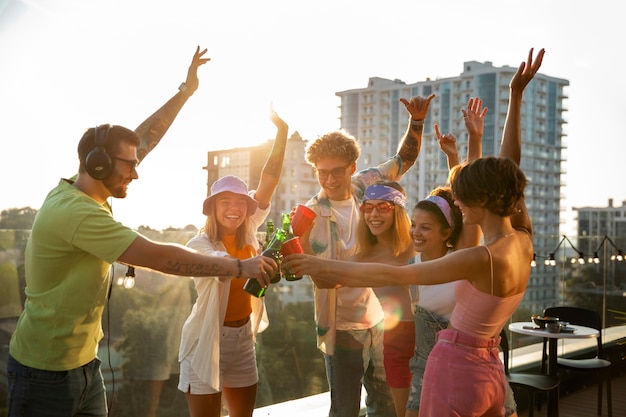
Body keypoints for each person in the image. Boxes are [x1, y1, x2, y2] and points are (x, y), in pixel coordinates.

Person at [5, 47, 278, 417]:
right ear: (98, 163)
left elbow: (146, 137)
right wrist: (239, 267)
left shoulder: (91, 185)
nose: (136, 172)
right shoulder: (76, 212)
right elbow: (159, 257)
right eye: (129, 166)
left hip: (85, 365)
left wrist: (185, 91)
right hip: (46, 372)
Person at [286, 47, 543, 416]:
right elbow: (508, 167)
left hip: (456, 371)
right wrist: (516, 96)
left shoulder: (479, 257)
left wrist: (315, 264)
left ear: (484, 200)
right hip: (492, 370)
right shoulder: (521, 238)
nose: (460, 207)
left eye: (464, 200)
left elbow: (395, 273)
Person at [298, 93, 435, 417]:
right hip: (342, 325)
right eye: (322, 173)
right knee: (345, 409)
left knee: (385, 405)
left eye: (337, 171)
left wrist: (416, 122)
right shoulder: (311, 213)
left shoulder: (368, 185)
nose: (329, 180)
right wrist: (299, 242)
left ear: (352, 168)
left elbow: (404, 158)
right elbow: (317, 276)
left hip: (383, 319)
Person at [177, 106, 289, 417]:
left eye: (241, 202)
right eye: (225, 201)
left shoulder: (250, 229)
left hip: (243, 338)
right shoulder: (198, 244)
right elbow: (216, 263)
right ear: (212, 207)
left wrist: (281, 133)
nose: (234, 208)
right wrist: (245, 267)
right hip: (206, 340)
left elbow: (269, 179)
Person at [352, 180, 415, 417]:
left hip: (431, 339)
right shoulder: (364, 257)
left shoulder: (417, 243)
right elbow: (327, 276)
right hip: (396, 342)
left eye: (383, 207)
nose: (373, 214)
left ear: (397, 210)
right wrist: (302, 242)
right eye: (368, 208)